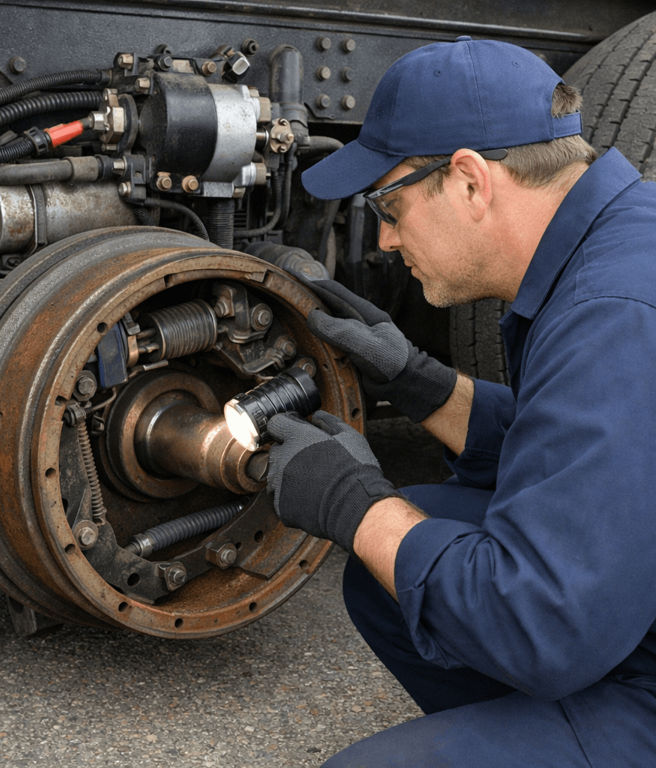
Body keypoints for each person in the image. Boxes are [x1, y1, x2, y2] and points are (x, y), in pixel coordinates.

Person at [265, 36, 656, 767]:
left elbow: (543, 621)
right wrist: (419, 381)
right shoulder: (620, 244)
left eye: (390, 204)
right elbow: (600, 463)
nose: (381, 238)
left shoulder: (616, 312)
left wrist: (355, 503)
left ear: (471, 180)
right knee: (405, 561)